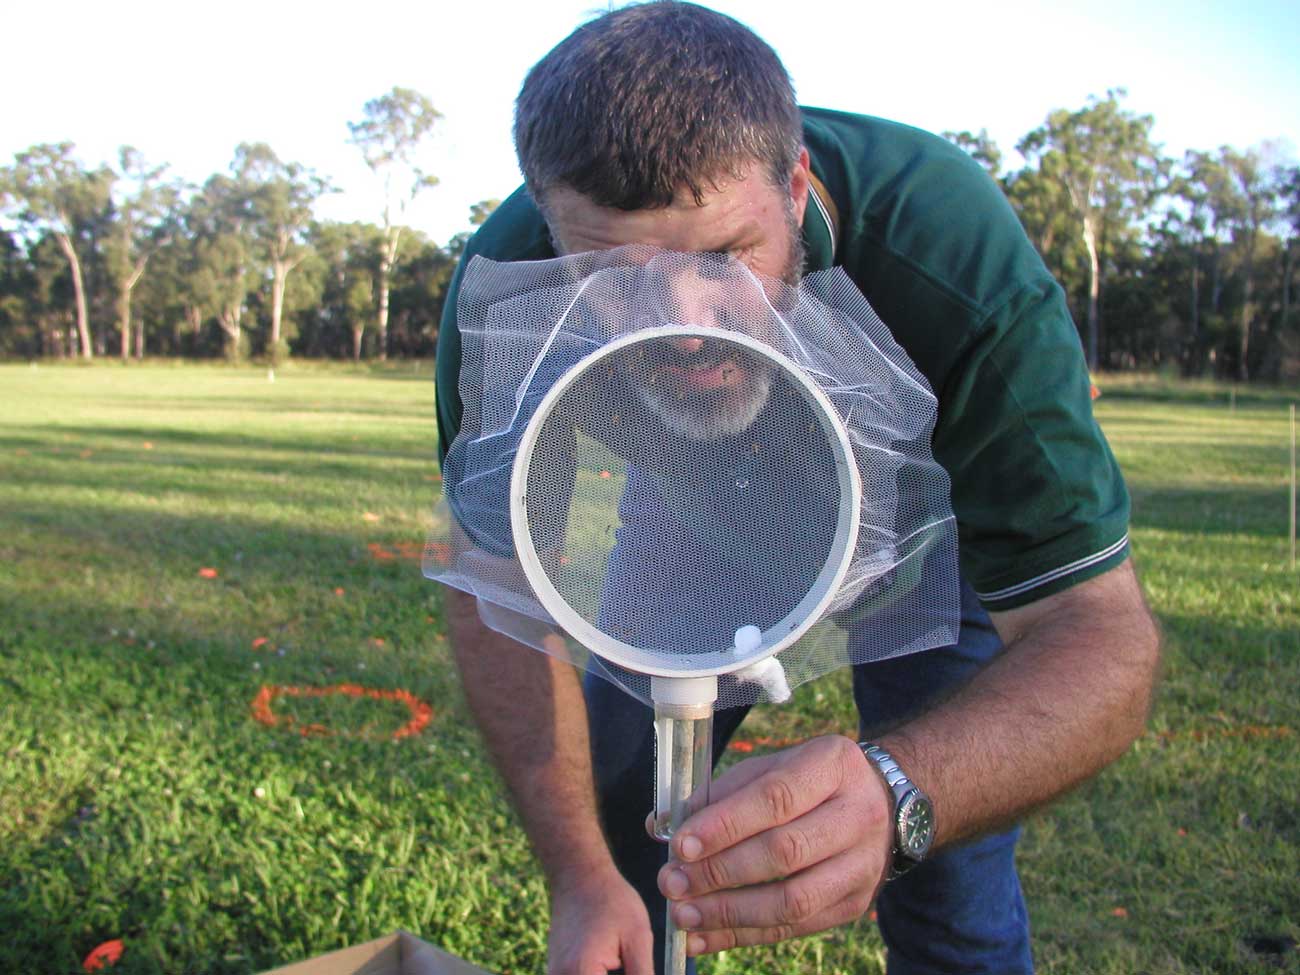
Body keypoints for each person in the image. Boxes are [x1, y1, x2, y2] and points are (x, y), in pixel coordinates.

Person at [433, 3, 1161, 973]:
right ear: (556, 230)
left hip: (936, 550)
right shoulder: (510, 283)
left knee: (943, 880)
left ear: (795, 184)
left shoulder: (946, 247)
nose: (683, 322)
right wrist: (578, 874)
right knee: (619, 798)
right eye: (610, 272)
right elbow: (495, 583)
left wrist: (899, 793)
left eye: (728, 257)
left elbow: (1099, 635)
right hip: (697, 515)